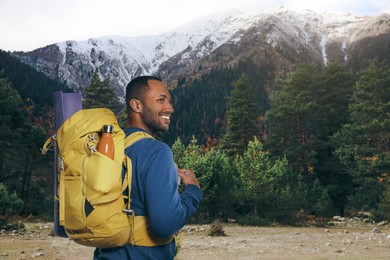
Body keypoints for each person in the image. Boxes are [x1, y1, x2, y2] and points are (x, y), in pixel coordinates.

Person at [93, 76, 202, 259]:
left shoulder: (108, 147)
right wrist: (192, 191)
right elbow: (165, 225)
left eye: (169, 101)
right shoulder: (157, 151)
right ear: (137, 106)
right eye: (161, 100)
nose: (170, 108)